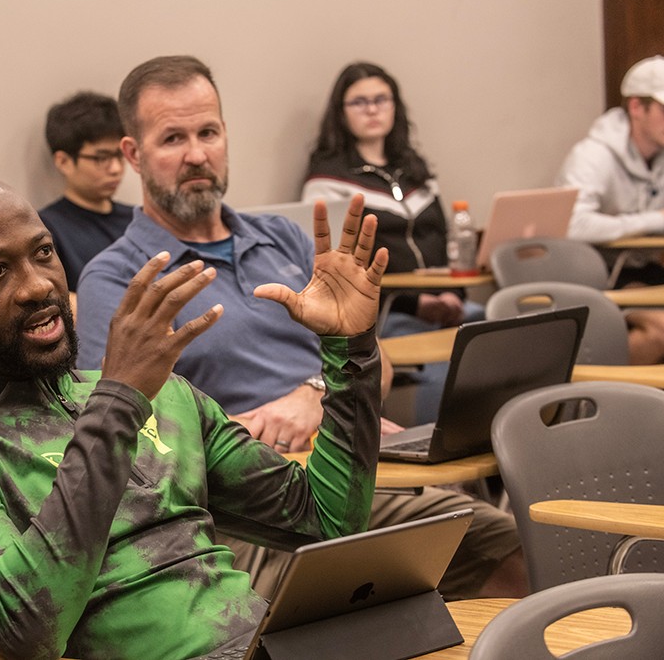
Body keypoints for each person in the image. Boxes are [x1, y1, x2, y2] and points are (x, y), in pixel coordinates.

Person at [77, 55, 526, 601]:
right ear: (134, 154)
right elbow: (123, 437)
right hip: (248, 509)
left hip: (362, 471)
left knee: (512, 551)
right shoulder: (121, 277)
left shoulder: (285, 239)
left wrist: (317, 399)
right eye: (173, 138)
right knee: (351, 601)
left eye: (208, 132)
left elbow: (374, 364)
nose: (197, 154)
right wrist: (267, 433)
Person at [0, 173, 387, 659]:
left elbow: (328, 523)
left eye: (43, 253)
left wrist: (351, 352)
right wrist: (118, 404)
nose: (37, 286)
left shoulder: (166, 397)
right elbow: (28, 627)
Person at [300, 61, 484, 424]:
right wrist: (418, 303)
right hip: (387, 314)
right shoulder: (327, 182)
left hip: (446, 304)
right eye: (360, 102)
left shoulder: (417, 172)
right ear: (341, 113)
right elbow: (336, 276)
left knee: (496, 339)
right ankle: (441, 461)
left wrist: (452, 296)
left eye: (381, 99)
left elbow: (445, 242)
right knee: (445, 366)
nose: (372, 109)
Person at [555, 55, 664, 364]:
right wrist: (651, 220)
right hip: (595, 276)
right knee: (660, 333)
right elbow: (571, 224)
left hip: (643, 270)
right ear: (636, 107)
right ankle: (599, 398)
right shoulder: (593, 156)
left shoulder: (660, 156)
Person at [37, 91, 133, 291]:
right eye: (101, 158)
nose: (115, 168)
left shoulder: (138, 218)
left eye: (119, 155)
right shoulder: (46, 229)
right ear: (64, 162)